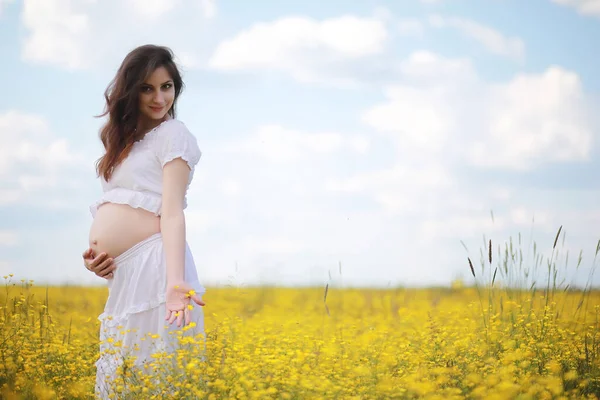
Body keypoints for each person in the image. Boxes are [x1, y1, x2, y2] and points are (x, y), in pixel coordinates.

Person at [81, 44, 207, 398]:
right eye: (147, 88)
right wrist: (96, 257)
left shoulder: (173, 135)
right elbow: (116, 206)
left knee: (153, 375)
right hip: (125, 275)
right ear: (129, 90)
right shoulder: (123, 142)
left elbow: (171, 212)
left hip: (158, 267)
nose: (159, 97)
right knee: (122, 377)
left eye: (166, 87)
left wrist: (176, 284)